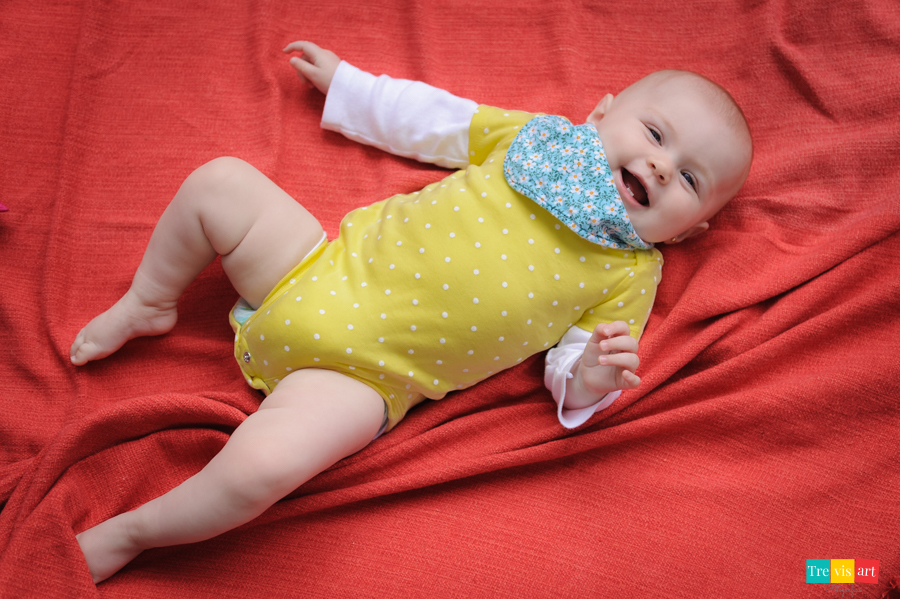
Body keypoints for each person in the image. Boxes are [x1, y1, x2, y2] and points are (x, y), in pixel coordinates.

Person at [72, 41, 752, 583]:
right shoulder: (532, 139)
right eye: (655, 134)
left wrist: (592, 376)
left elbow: (571, 367)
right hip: (312, 268)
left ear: (689, 232)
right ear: (600, 114)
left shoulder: (630, 271)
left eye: (690, 179)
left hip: (365, 379)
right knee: (220, 182)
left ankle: (133, 532)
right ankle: (150, 300)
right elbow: (438, 121)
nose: (661, 166)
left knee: (260, 471)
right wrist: (351, 89)